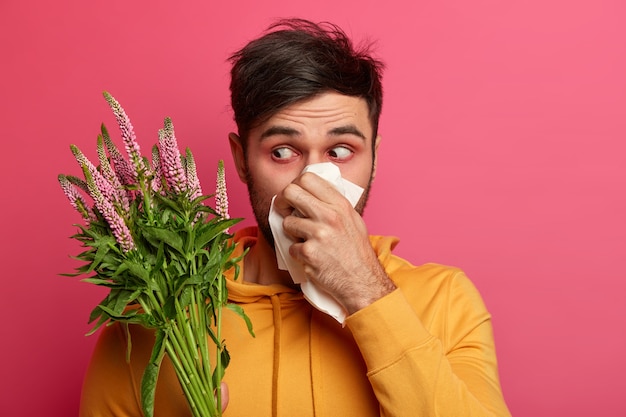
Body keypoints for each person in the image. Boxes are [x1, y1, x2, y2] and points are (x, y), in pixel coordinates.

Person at [79, 18, 511, 417]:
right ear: (242, 160)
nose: (311, 180)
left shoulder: (444, 300)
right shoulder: (158, 317)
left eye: (340, 151)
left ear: (374, 159)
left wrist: (365, 289)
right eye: (282, 151)